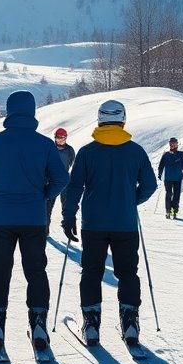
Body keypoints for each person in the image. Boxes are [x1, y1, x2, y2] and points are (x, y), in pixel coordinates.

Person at [0, 91, 71, 354]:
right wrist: (44, 195)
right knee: (36, 271)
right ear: (32, 112)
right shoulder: (45, 145)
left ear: (10, 111)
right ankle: (38, 325)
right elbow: (61, 179)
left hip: (2, 218)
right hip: (34, 218)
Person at [61, 99, 157, 347]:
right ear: (123, 120)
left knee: (92, 272)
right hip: (125, 224)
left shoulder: (87, 152)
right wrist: (130, 200)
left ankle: (91, 325)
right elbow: (150, 185)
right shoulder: (135, 151)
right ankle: (130, 323)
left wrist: (69, 215)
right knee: (128, 273)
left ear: (100, 120)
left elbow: (74, 187)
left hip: (93, 224)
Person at [46, 128, 77, 231]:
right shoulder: (50, 148)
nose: (61, 140)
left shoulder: (69, 150)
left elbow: (73, 165)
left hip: (64, 182)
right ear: (55, 138)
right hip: (51, 181)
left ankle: (68, 227)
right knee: (47, 207)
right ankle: (45, 230)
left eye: (63, 138)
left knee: (66, 206)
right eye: (58, 138)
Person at [157, 137, 183, 218]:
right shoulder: (166, 154)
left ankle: (174, 211)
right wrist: (159, 174)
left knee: (176, 195)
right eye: (170, 143)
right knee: (168, 194)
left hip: (178, 178)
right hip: (168, 178)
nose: (172, 145)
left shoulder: (181, 154)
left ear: (176, 144)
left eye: (173, 143)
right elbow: (161, 165)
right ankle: (168, 211)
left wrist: (182, 166)